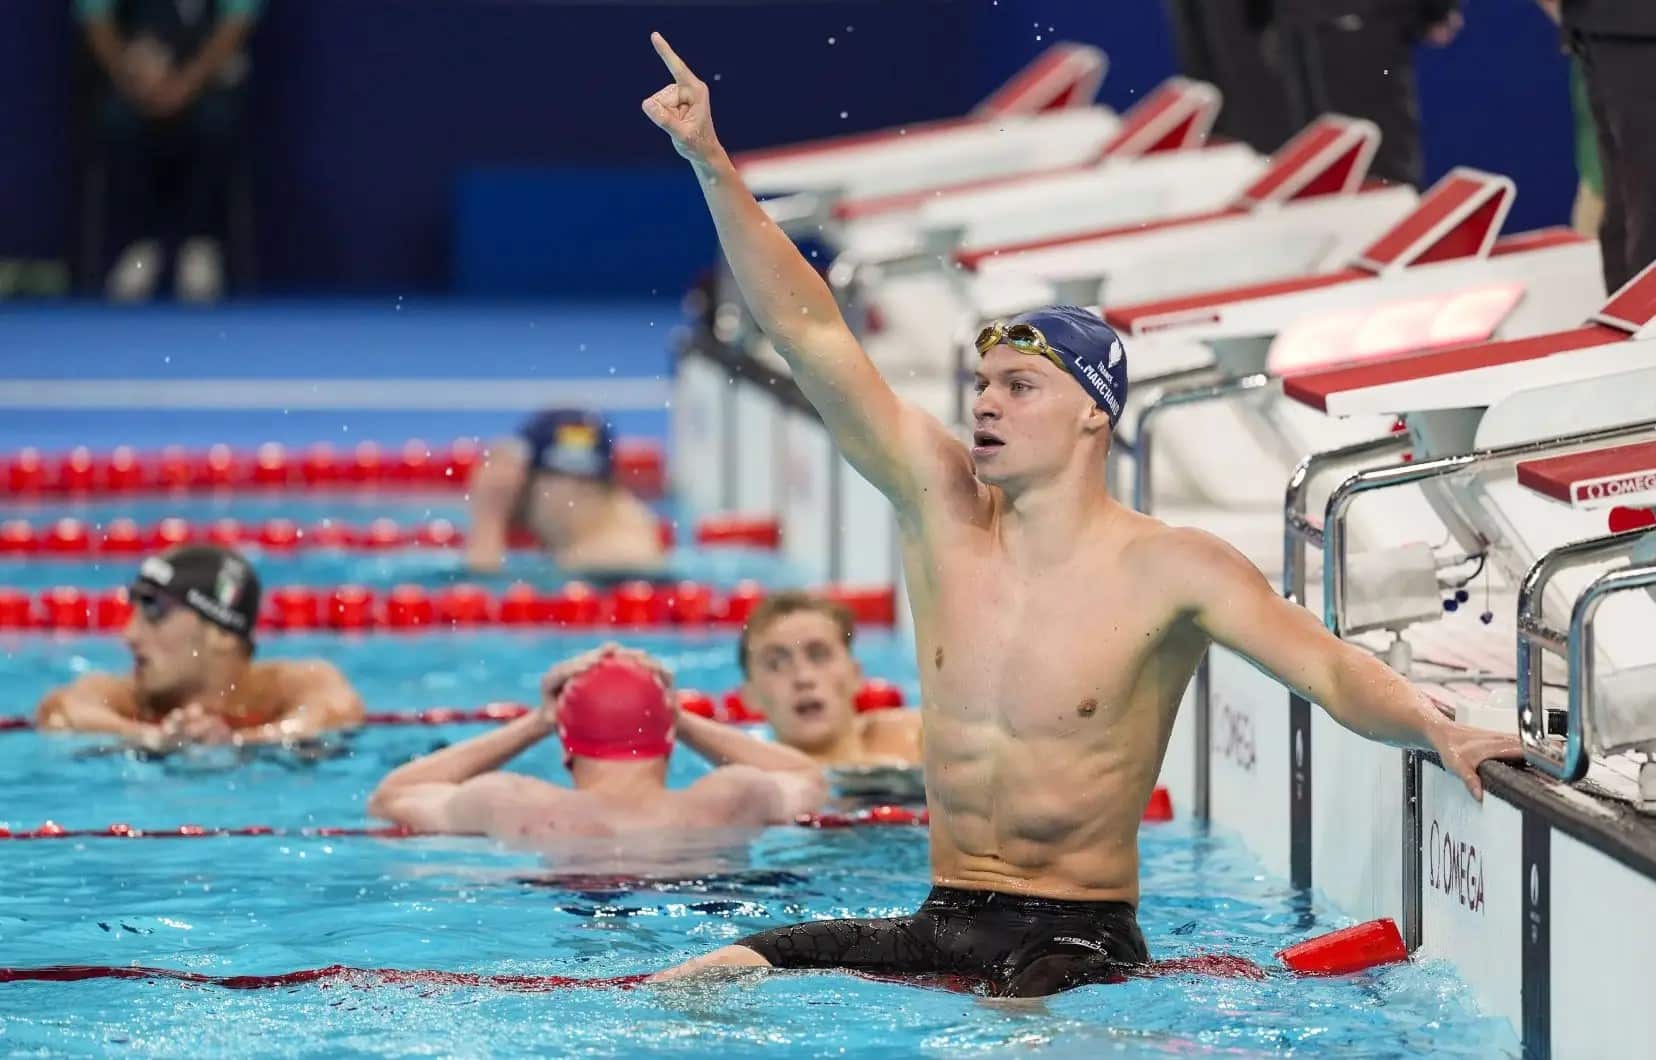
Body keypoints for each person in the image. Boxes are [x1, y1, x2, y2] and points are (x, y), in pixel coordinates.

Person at [638, 33, 1521, 997]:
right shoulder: (941, 509)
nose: (983, 404)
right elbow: (811, 335)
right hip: (941, 915)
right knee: (703, 980)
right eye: (981, 384)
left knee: (1019, 1027)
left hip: (1080, 939)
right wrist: (713, 167)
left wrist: (1440, 730)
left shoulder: (1172, 567)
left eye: (1019, 387)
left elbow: (1330, 668)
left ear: (1094, 413)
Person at [367, 645, 827, 844]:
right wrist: (683, 719)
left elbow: (391, 797)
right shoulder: (733, 795)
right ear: (667, 736)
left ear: (565, 740)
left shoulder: (510, 802)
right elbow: (809, 777)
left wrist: (533, 723)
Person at [35, 545, 363, 749]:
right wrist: (151, 738)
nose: (129, 634)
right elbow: (61, 710)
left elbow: (336, 712)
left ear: (220, 632)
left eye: (155, 610)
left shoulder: (285, 687)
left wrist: (236, 743)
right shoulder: (128, 700)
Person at [76, 0, 263, 302]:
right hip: (134, 81)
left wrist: (185, 84)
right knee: (116, 121)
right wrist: (134, 79)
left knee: (217, 122)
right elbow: (95, 17)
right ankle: (138, 246)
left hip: (206, 81)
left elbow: (237, 20)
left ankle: (199, 245)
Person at [1266, 0, 1464, 188]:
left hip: (1342, 22)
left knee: (1368, 156)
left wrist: (1438, 8)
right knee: (1339, 151)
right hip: (1334, 23)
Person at [464, 408, 666, 578]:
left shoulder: (609, 562)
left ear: (555, 484)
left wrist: (489, 522)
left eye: (524, 482)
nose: (515, 497)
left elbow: (483, 591)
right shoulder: (627, 524)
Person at [1544, 0, 1656, 290]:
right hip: (1630, 29)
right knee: (1642, 204)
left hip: (1608, 26)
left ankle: (1632, 324)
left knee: (1629, 201)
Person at [739, 591, 921, 768]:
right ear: (750, 696)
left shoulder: (916, 738)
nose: (803, 677)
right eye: (776, 664)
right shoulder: (748, 778)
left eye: (819, 655)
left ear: (855, 674)